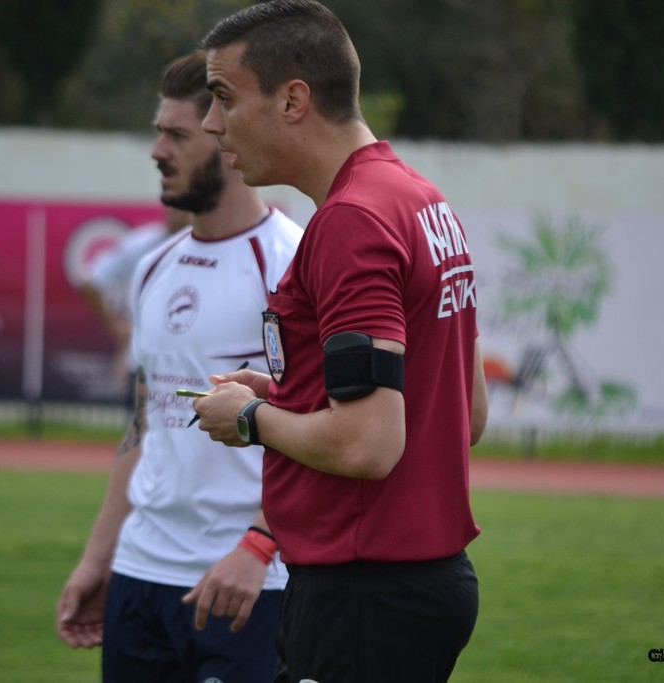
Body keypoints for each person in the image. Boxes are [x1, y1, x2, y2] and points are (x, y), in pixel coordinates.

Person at [192, 2, 489, 681]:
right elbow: (465, 413)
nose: (212, 123)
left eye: (224, 96)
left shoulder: (353, 219)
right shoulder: (418, 197)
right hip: (415, 586)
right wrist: (288, 391)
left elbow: (367, 444)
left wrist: (249, 418)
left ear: (292, 100)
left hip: (365, 595)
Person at [55, 50, 303, 683]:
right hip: (140, 574)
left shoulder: (292, 262)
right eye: (157, 132)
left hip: (247, 582)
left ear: (226, 136)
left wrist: (259, 547)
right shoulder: (152, 267)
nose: (157, 151)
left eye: (176, 135)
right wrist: (99, 559)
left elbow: (325, 425)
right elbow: (144, 425)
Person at [77, 206, 191, 409]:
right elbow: (91, 282)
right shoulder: (142, 245)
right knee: (142, 426)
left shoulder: (208, 248)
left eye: (183, 207)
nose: (178, 212)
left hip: (189, 364)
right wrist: (118, 330)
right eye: (172, 206)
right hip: (143, 364)